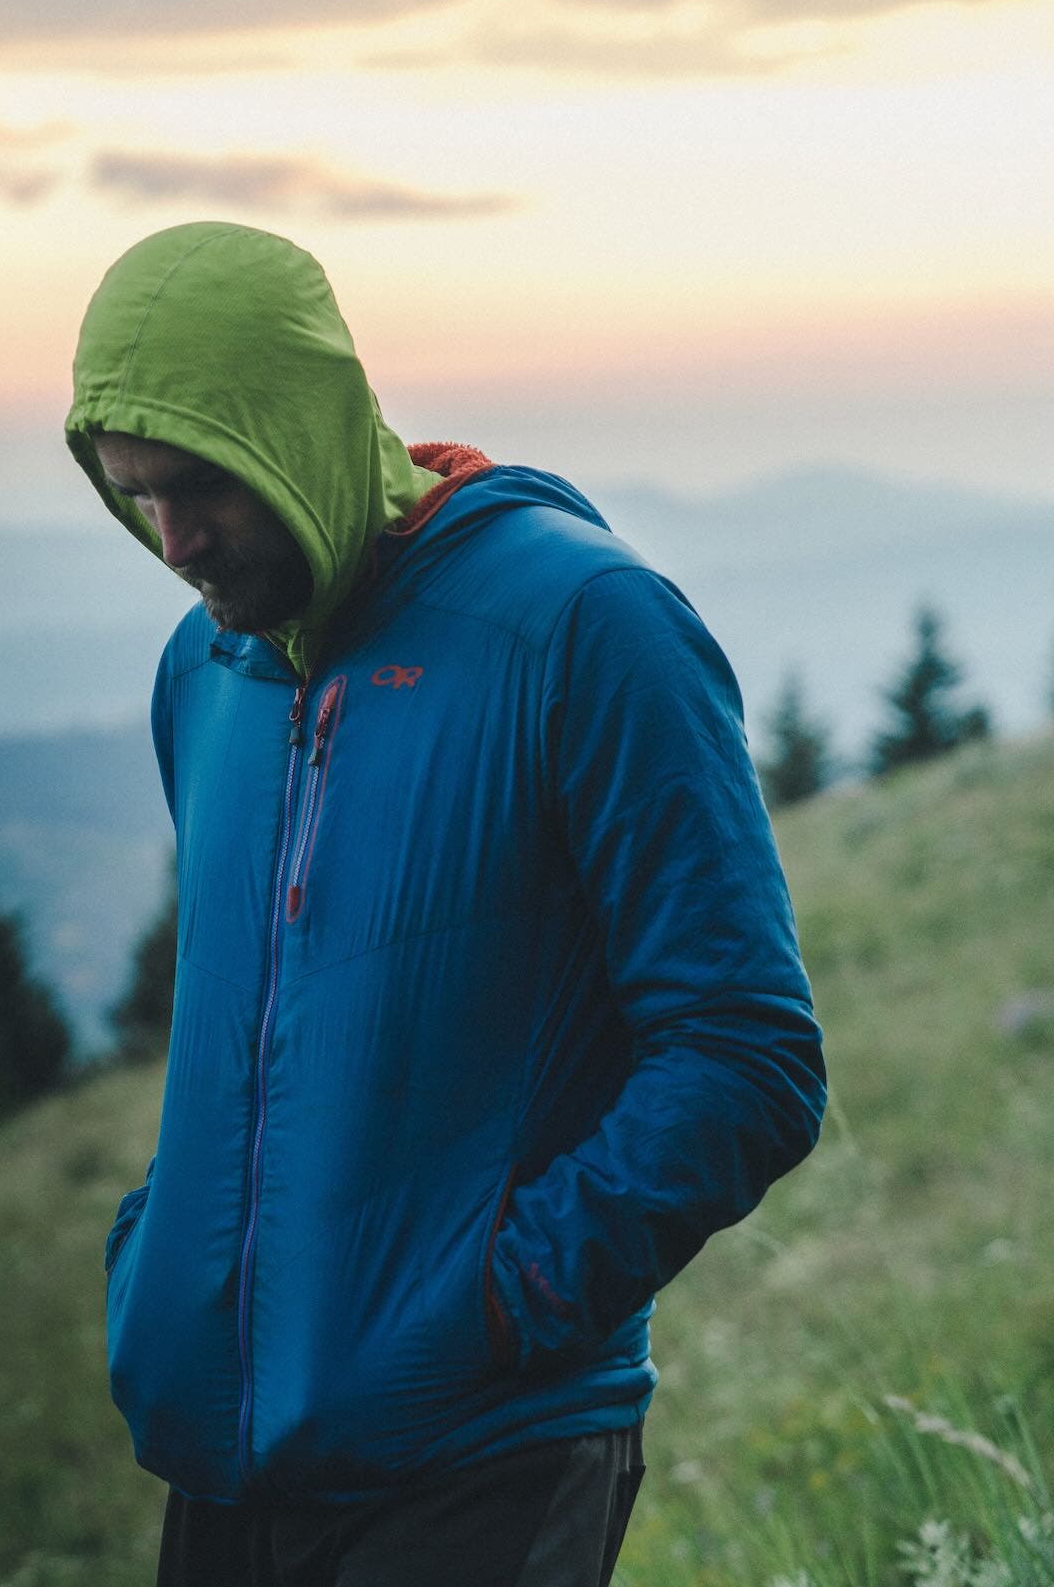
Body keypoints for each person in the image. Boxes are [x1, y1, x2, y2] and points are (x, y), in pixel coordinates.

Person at [67, 222, 827, 1586]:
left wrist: (495, 1295)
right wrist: (161, 1257)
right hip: (221, 1453)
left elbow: (747, 1055)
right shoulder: (205, 672)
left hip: (482, 1455)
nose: (174, 541)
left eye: (199, 487)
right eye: (133, 496)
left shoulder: (585, 626)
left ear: (296, 431)